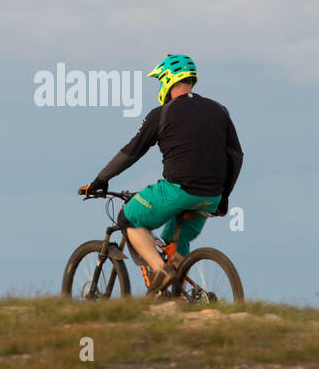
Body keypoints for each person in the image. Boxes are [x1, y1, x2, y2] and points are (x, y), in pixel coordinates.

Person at [82, 54, 244, 295]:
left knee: (128, 217)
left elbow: (131, 152)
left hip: (178, 190)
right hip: (211, 196)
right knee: (173, 241)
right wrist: (224, 198)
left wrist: (100, 180)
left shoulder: (162, 113)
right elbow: (236, 156)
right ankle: (177, 296)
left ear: (168, 80)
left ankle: (160, 270)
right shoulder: (220, 111)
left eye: (160, 81)